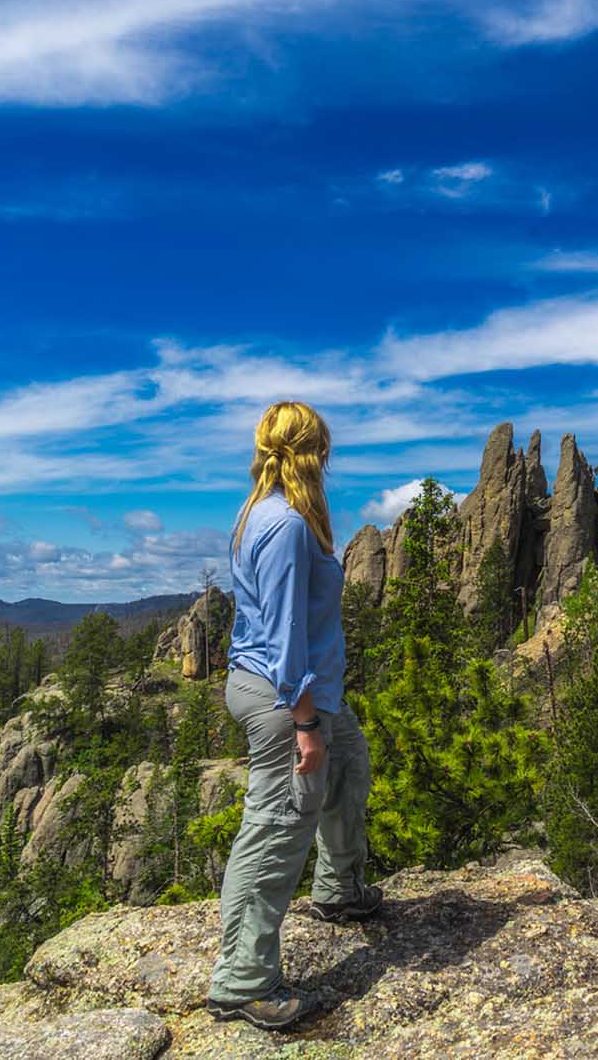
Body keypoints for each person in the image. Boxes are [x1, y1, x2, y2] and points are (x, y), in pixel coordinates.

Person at [206, 401, 381, 1031]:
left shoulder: (269, 513)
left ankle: (340, 889)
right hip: (287, 699)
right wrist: (306, 724)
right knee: (278, 828)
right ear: (314, 452)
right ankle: (242, 982)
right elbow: (283, 634)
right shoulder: (283, 525)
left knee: (350, 765)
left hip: (309, 692)